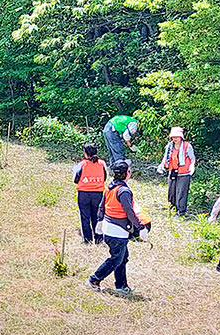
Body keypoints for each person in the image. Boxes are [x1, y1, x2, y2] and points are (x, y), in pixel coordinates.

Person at [88, 160, 144, 295]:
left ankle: (121, 285)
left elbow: (102, 206)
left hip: (109, 228)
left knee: (123, 257)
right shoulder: (123, 191)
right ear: (127, 174)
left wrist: (100, 222)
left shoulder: (110, 187)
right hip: (117, 231)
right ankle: (94, 279)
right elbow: (129, 212)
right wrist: (140, 227)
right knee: (116, 259)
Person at [157, 126, 195, 216]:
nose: (175, 139)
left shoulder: (187, 146)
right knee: (172, 192)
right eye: (173, 137)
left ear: (181, 137)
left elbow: (192, 158)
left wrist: (192, 166)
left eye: (177, 137)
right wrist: (161, 166)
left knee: (181, 192)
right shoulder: (169, 146)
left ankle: (181, 211)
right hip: (173, 171)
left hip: (184, 173)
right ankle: (172, 208)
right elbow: (166, 157)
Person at [74, 143, 107, 244]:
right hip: (98, 194)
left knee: (85, 217)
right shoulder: (102, 163)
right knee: (97, 216)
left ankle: (87, 240)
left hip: (83, 194)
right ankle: (99, 238)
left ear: (85, 153)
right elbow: (105, 177)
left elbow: (75, 179)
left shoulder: (81, 164)